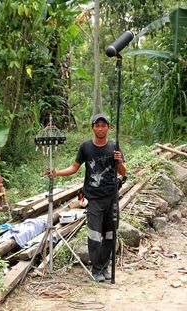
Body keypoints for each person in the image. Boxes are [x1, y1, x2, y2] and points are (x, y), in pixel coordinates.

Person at [54, 113, 126, 282]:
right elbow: (74, 168)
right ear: (93, 127)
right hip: (93, 198)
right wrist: (56, 173)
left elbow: (123, 172)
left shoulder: (114, 147)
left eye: (103, 125)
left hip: (111, 197)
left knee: (110, 233)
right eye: (97, 125)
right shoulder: (85, 147)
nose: (100, 128)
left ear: (108, 127)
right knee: (94, 235)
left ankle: (105, 268)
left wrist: (119, 161)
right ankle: (96, 269)